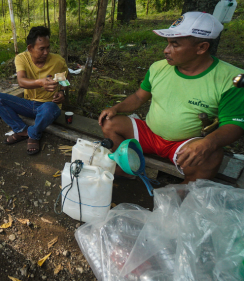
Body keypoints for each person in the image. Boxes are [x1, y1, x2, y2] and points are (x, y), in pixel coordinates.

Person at [99, 12, 244, 184]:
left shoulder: (231, 79)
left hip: (184, 144)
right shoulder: (158, 68)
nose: (166, 50)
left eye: (174, 45)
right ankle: (128, 168)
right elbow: (139, 97)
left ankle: (184, 194)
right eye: (167, 44)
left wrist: (208, 143)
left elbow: (234, 125)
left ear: (201, 48)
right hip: (150, 135)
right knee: (110, 122)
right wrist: (116, 109)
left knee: (212, 156)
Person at [0, 26, 68, 155]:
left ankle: (33, 134)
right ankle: (22, 130)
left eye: (48, 47)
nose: (46, 52)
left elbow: (65, 80)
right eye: (41, 49)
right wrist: (40, 82)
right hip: (28, 104)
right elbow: (21, 81)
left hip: (47, 107)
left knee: (50, 108)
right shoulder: (21, 58)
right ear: (30, 48)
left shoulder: (57, 61)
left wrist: (63, 92)